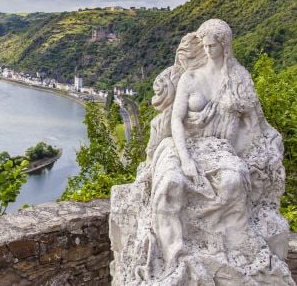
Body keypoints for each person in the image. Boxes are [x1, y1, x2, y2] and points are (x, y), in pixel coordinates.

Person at [110, 19, 292, 285]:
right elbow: (176, 121)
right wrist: (185, 160)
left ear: (225, 46)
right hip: (180, 145)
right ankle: (175, 256)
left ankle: (225, 248)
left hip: (219, 149)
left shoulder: (238, 79)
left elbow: (255, 123)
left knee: (233, 180)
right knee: (171, 183)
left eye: (212, 46)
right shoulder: (190, 77)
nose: (207, 51)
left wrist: (253, 153)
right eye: (204, 45)